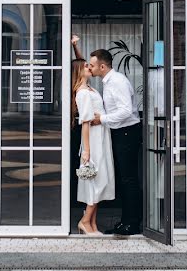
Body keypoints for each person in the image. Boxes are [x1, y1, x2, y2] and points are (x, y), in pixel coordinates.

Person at [89, 48, 142, 235]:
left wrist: (101, 119)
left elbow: (126, 111)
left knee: (128, 179)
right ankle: (126, 221)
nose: (90, 68)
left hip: (127, 133)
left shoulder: (117, 82)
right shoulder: (110, 81)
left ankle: (132, 223)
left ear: (102, 66)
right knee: (124, 179)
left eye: (93, 65)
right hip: (121, 133)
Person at [71, 37, 114, 236]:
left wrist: (75, 46)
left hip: (100, 137)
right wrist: (87, 150)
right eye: (86, 66)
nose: (89, 66)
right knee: (96, 181)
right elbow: (85, 122)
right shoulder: (82, 92)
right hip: (94, 141)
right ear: (81, 71)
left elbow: (79, 62)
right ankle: (85, 221)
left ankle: (92, 225)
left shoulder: (88, 88)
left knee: (99, 180)